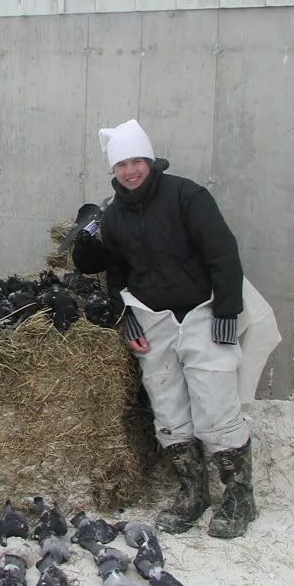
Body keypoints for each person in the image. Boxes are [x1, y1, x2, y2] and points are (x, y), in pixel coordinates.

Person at [73, 119, 279, 539]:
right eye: (121, 164)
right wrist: (122, 312)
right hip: (153, 318)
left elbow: (223, 251)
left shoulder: (187, 196)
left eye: (136, 161)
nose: (130, 171)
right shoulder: (113, 216)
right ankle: (193, 493)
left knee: (217, 403)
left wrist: (227, 309)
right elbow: (113, 272)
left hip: (202, 312)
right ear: (113, 170)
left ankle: (240, 497)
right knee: (168, 409)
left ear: (150, 160)